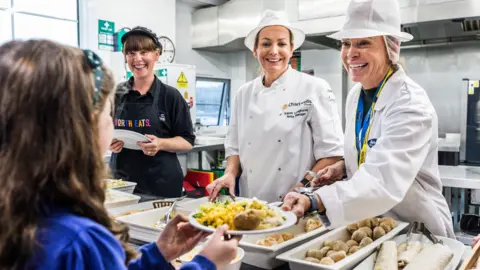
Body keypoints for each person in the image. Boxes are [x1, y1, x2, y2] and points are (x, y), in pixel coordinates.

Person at [0, 39, 240, 269]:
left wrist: (157, 255)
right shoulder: (81, 242)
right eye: (107, 115)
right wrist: (207, 262)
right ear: (81, 127)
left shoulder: (23, 216)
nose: (111, 124)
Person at [281, 0, 455, 238]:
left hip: (416, 229)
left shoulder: (410, 104)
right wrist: (344, 167)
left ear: (391, 47)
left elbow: (382, 180)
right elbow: (371, 149)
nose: (351, 53)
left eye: (364, 42)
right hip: (372, 228)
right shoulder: (356, 95)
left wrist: (315, 199)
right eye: (346, 43)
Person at [206, 10, 344, 203]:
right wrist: (229, 173)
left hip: (297, 202)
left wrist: (301, 187)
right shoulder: (243, 94)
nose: (274, 51)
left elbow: (333, 154)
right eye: (266, 44)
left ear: (291, 49)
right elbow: (234, 148)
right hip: (250, 201)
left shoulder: (314, 88)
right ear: (255, 50)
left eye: (281, 43)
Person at [110, 26, 195, 199]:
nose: (137, 59)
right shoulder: (115, 94)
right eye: (131, 53)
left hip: (161, 184)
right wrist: (108, 142)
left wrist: (161, 144)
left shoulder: (170, 96)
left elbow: (187, 141)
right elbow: (100, 132)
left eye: (144, 52)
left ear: (156, 55)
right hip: (121, 184)